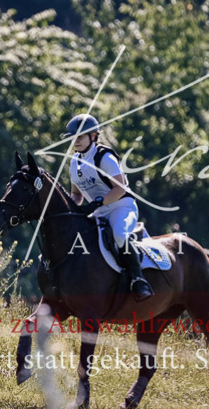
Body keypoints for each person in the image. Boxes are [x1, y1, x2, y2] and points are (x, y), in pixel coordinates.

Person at [64, 113, 154, 301]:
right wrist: (69, 208)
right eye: (73, 137)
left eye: (79, 136)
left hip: (121, 207)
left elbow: (120, 188)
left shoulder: (104, 157)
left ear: (93, 136)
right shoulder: (74, 162)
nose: (76, 141)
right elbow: (77, 194)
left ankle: (138, 279)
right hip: (97, 212)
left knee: (119, 234)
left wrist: (98, 202)